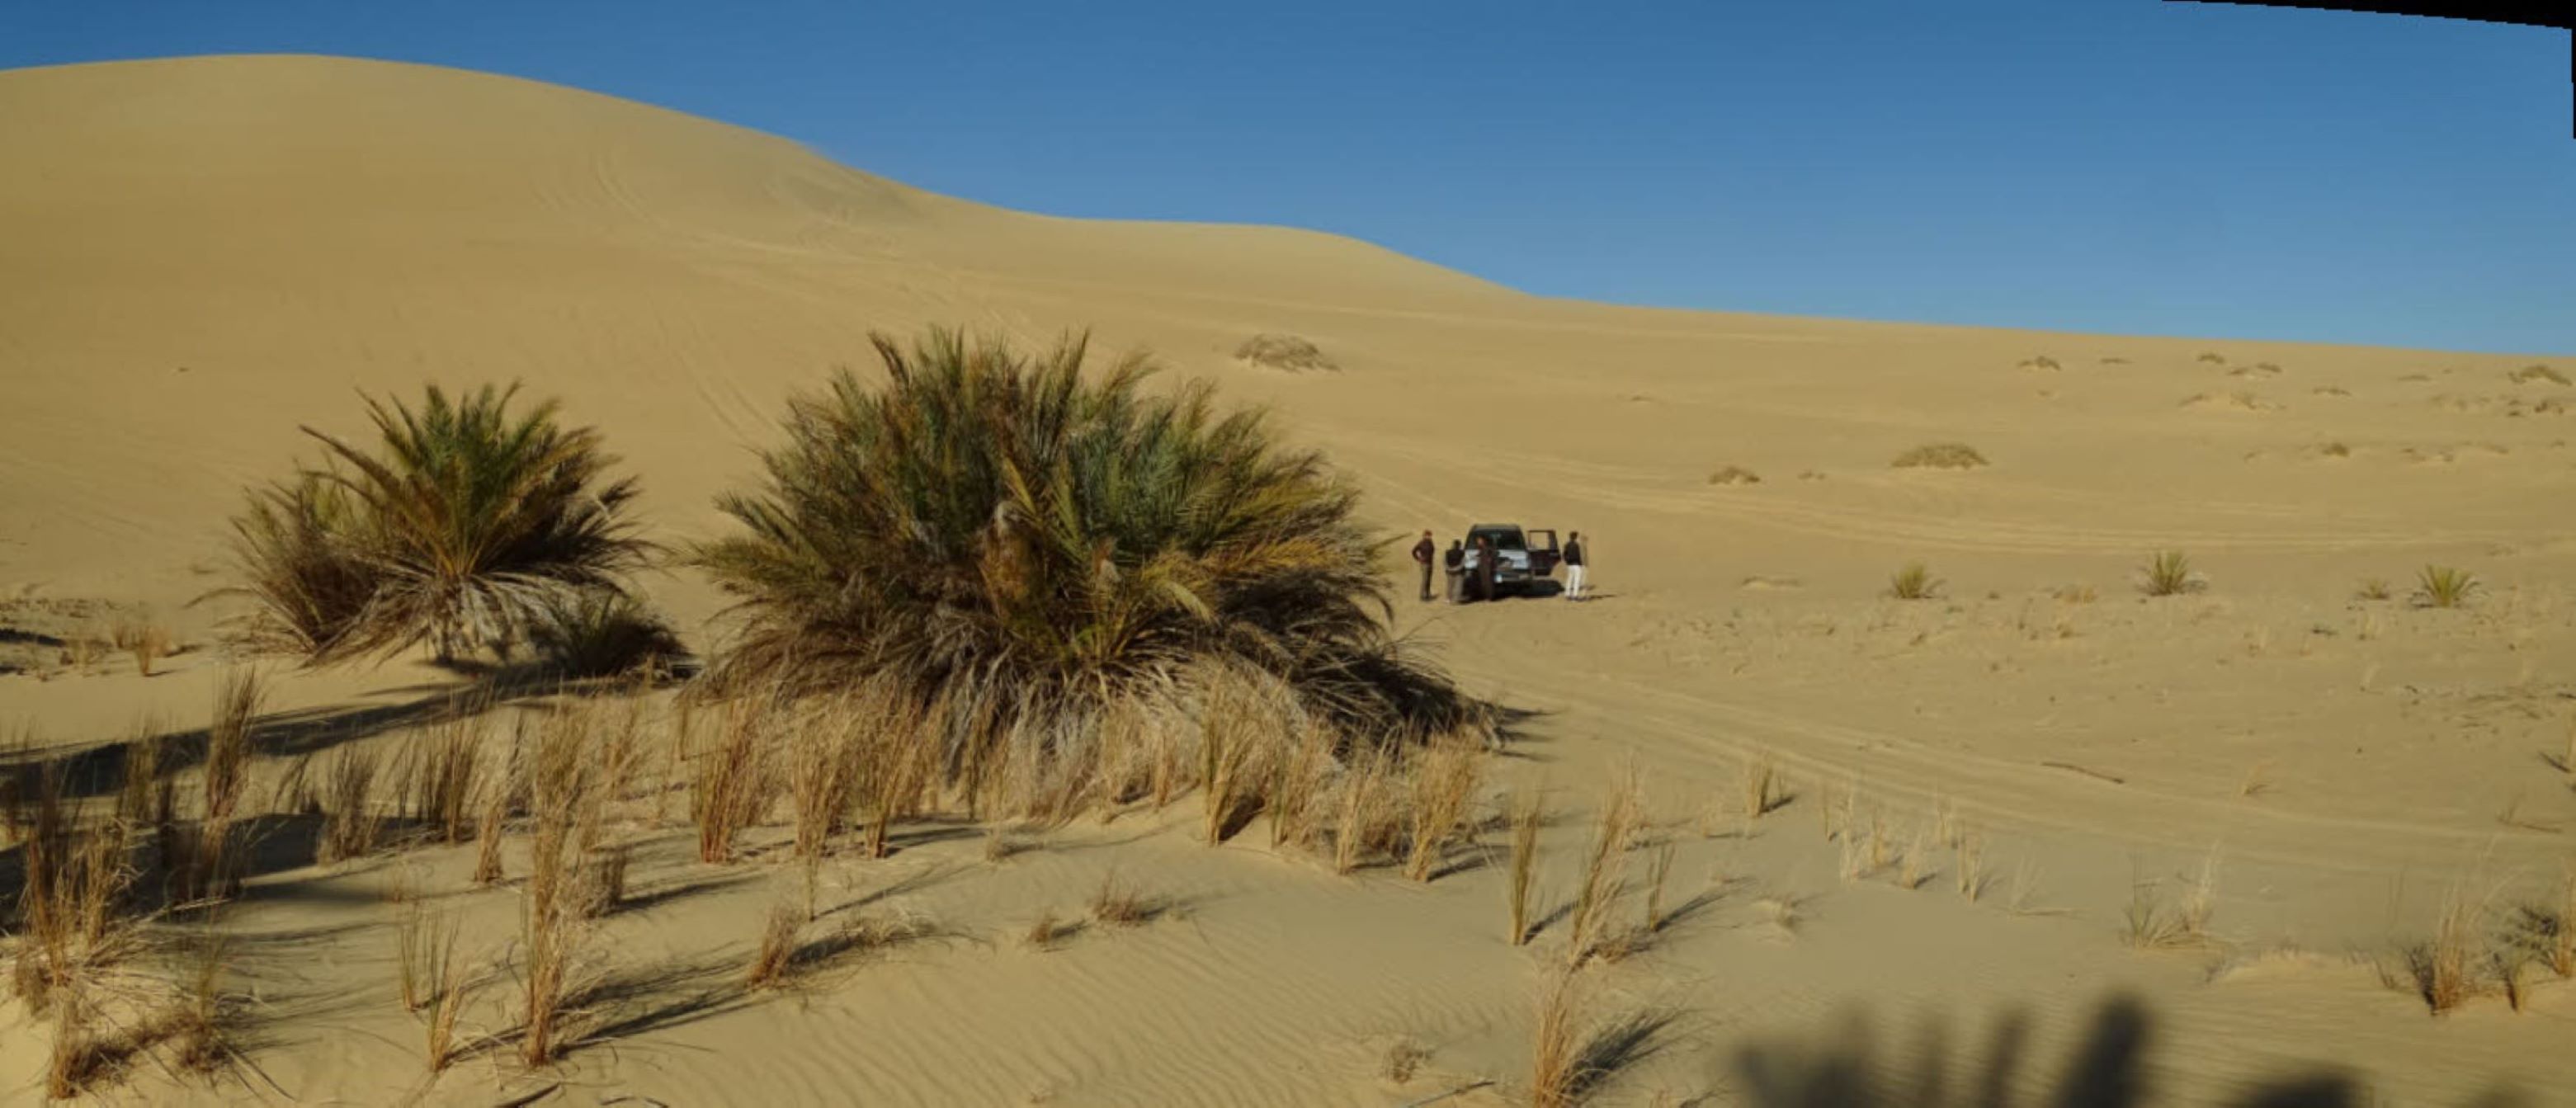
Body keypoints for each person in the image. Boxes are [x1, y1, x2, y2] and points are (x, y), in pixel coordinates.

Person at [1411, 530, 1437, 602]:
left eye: (1430, 536)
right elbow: (1413, 551)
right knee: (1425, 579)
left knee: (1429, 579)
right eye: (1428, 535)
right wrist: (1418, 558)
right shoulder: (1421, 543)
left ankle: (1428, 594)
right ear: (1425, 536)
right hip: (1424, 563)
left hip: (1430, 562)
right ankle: (1422, 596)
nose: (1430, 537)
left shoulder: (1431, 543)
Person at [1562, 530, 1588, 601]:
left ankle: (1567, 594)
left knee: (1569, 579)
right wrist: (1580, 564)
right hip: (1576, 565)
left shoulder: (1566, 545)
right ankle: (1575, 595)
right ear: (1575, 537)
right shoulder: (1576, 545)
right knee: (1577, 580)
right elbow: (1578, 556)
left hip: (1569, 565)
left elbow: (1564, 555)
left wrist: (1567, 561)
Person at [1473, 536, 1498, 602]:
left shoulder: (1488, 547)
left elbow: (1493, 554)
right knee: (1484, 583)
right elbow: (1481, 555)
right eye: (1478, 541)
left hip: (1487, 568)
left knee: (1488, 583)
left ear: (1483, 541)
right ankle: (1486, 597)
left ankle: (1490, 598)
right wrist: (1476, 556)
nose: (1478, 542)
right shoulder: (1481, 548)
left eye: (1479, 541)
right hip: (1482, 567)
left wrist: (1490, 560)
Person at [1443, 539, 1466, 603]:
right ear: (1459, 545)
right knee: (1458, 586)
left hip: (1449, 571)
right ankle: (1456, 599)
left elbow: (1444, 562)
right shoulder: (1462, 553)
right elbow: (1463, 562)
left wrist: (1449, 568)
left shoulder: (1447, 552)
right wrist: (1457, 568)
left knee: (1450, 585)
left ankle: (1448, 598)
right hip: (1459, 572)